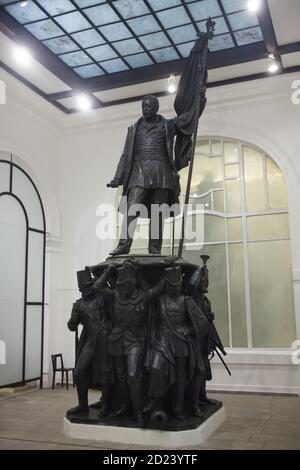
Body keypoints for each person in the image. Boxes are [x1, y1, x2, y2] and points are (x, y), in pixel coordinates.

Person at [107, 37, 208, 257]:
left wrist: (200, 98)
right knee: (132, 208)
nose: (145, 108)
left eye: (149, 105)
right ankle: (124, 245)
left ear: (156, 107)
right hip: (139, 172)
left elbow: (189, 120)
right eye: (143, 105)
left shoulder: (168, 125)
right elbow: (126, 155)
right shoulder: (133, 129)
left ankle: (155, 249)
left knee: (158, 212)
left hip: (162, 172)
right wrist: (117, 177)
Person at [93, 260, 164, 424]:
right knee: (122, 377)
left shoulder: (143, 297)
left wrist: (171, 269)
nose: (122, 288)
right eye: (120, 284)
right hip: (117, 341)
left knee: (133, 376)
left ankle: (139, 412)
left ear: (133, 284)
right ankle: (125, 406)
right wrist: (108, 271)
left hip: (135, 342)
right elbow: (96, 288)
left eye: (125, 284)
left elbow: (159, 288)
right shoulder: (115, 295)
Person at [143, 264, 207, 420]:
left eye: (177, 285)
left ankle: (177, 409)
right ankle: (155, 403)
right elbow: (147, 296)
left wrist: (189, 331)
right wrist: (161, 282)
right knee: (156, 368)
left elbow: (202, 322)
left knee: (180, 378)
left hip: (181, 343)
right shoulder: (160, 299)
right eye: (172, 285)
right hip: (162, 340)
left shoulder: (186, 300)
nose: (175, 288)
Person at [67, 267, 114, 415]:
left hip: (104, 339)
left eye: (88, 286)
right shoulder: (78, 304)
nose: (86, 289)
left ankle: (106, 406)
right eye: (83, 287)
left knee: (105, 373)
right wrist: (73, 318)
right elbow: (71, 327)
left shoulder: (102, 297)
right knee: (79, 372)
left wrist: (106, 273)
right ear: (80, 288)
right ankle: (83, 404)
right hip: (89, 341)